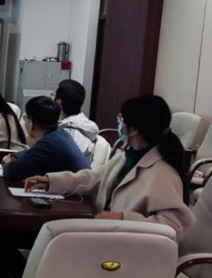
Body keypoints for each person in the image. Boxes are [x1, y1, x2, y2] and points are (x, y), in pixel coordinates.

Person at [25, 94, 195, 239]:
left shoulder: (163, 172)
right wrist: (51, 181)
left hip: (130, 249)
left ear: (134, 129)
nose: (119, 124)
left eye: (122, 120)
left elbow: (175, 226)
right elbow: (97, 179)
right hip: (106, 236)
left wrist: (122, 218)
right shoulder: (127, 156)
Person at [1, 96, 90, 182]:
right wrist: (14, 156)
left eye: (25, 118)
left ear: (31, 124)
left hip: (78, 192)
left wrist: (8, 163)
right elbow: (33, 152)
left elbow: (12, 172)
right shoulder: (60, 135)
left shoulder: (49, 144)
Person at [54, 79, 99, 161]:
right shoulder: (84, 126)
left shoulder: (66, 134)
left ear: (58, 102)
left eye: (53, 94)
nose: (50, 98)